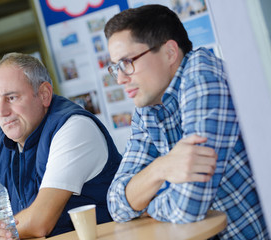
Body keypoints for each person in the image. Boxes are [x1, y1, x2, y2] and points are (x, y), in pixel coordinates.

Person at [104, 4, 269, 240]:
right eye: (116, 67)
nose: (120, 79)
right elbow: (116, 205)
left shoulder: (202, 75)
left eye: (128, 62)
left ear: (170, 52)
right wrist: (161, 168)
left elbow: (188, 205)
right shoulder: (146, 108)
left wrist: (147, 205)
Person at [0, 53, 122, 239]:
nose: (2, 111)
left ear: (44, 95)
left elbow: (39, 223)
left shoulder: (73, 126)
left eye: (12, 98)